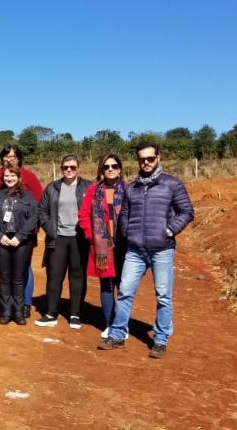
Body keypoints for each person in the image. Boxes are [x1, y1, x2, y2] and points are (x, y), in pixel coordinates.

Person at [99, 142, 194, 359]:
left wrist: (170, 230)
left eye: (150, 158)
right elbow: (124, 215)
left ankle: (160, 339)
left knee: (163, 296)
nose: (146, 162)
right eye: (142, 159)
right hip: (135, 250)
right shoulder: (132, 187)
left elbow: (186, 211)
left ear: (158, 157)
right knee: (125, 292)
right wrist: (128, 233)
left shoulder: (171, 184)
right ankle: (117, 334)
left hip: (162, 250)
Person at [0, 144, 44, 317]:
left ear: (19, 159)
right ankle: (7, 306)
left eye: (14, 157)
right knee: (5, 272)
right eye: (7, 156)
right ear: (2, 158)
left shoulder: (29, 177)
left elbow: (37, 203)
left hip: (24, 234)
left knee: (24, 269)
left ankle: (25, 303)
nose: (10, 159)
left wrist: (29, 230)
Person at [35, 154, 92, 330]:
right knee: (54, 276)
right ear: (61, 169)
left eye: (72, 167)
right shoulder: (52, 187)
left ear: (78, 169)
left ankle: (75, 314)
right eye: (65, 167)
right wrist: (50, 229)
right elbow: (42, 211)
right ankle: (51, 313)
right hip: (57, 238)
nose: (69, 170)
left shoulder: (88, 187)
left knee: (77, 276)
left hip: (79, 239)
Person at [78, 153, 128, 338]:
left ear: (120, 169)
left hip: (124, 246)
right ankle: (109, 324)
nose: (110, 169)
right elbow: (83, 215)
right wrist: (92, 236)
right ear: (101, 169)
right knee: (106, 287)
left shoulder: (128, 189)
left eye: (114, 166)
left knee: (124, 287)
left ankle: (122, 324)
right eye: (106, 166)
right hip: (102, 248)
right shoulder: (93, 190)